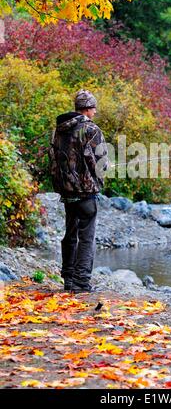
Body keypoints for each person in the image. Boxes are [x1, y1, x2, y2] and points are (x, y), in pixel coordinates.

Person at [48, 89, 109, 293]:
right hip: (85, 192)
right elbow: (100, 163)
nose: (94, 112)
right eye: (94, 109)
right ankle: (82, 282)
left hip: (66, 192)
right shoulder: (91, 130)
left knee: (70, 234)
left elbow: (53, 158)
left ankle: (68, 280)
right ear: (88, 109)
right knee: (86, 237)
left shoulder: (59, 129)